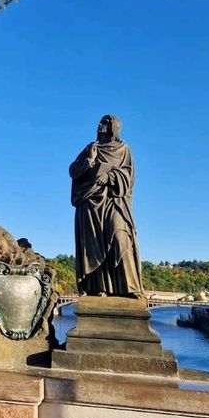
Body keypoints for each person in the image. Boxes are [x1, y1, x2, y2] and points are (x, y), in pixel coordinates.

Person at [69, 115, 143, 296]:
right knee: (94, 246)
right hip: (91, 203)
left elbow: (128, 175)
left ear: (113, 128)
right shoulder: (91, 148)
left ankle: (129, 288)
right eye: (100, 123)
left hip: (114, 201)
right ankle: (98, 288)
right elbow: (73, 171)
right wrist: (90, 161)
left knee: (120, 237)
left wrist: (109, 177)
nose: (100, 126)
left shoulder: (124, 149)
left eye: (105, 123)